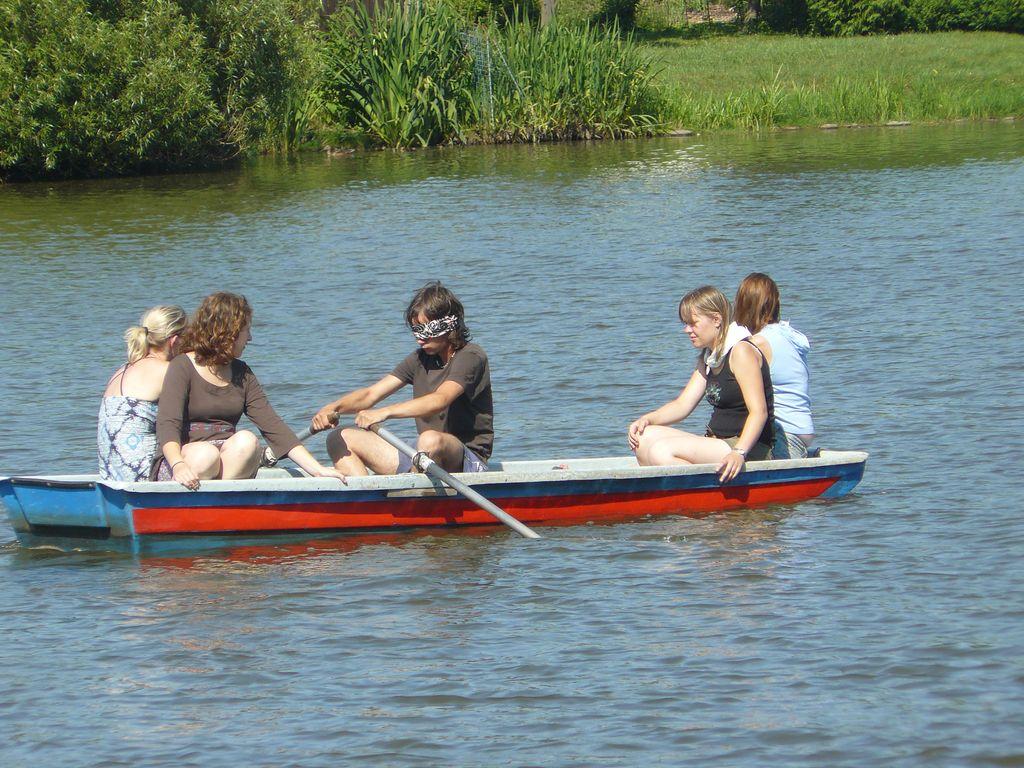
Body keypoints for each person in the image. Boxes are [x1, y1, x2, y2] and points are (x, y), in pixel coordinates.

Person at [156, 292, 345, 489]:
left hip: (227, 461)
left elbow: (274, 427)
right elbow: (168, 423)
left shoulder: (242, 373)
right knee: (206, 455)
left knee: (247, 441)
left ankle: (221, 501)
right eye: (247, 330)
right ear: (229, 332)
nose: (250, 338)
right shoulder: (182, 365)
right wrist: (177, 464)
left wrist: (317, 470)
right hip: (181, 460)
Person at [312, 281, 493, 476]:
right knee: (338, 438)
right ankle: (371, 494)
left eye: (425, 329)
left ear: (448, 325)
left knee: (429, 440)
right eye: (415, 330)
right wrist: (332, 408)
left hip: (466, 459)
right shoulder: (419, 359)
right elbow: (370, 394)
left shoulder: (471, 356)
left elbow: (440, 400)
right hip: (422, 453)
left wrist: (385, 412)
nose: (419, 338)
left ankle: (412, 491)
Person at [628, 286, 774, 483]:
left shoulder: (741, 351)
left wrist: (739, 452)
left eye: (693, 323)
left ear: (716, 319)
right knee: (643, 437)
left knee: (661, 451)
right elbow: (682, 405)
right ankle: (674, 492)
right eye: (685, 324)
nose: (687, 330)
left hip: (749, 446)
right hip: (717, 441)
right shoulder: (709, 357)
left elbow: (759, 412)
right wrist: (647, 419)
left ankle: (701, 493)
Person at [97, 306, 187, 481]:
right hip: (142, 475)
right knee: (206, 454)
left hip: (111, 474)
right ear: (175, 340)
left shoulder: (122, 369)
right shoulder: (168, 370)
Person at [734, 273, 814, 459]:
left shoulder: (756, 344)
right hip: (803, 429)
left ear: (743, 305)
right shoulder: (789, 336)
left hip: (783, 434)